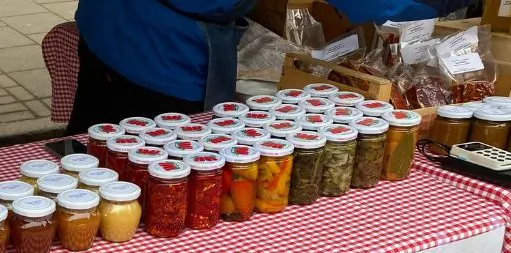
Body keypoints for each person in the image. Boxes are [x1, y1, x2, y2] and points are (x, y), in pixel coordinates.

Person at [68, 0, 479, 134]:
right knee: (157, 156)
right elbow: (380, 4)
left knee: (92, 142)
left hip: (114, 24)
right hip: (153, 42)